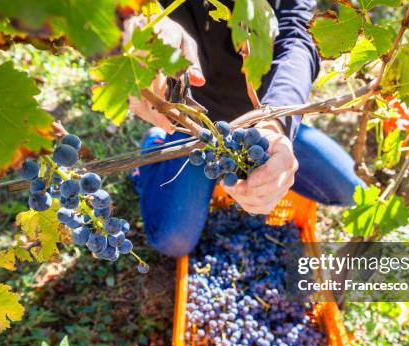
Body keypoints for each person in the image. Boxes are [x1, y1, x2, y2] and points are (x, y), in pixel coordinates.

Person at [129, 0, 364, 257]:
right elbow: (117, 13)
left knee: (353, 191)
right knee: (173, 241)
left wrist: (275, 125)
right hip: (195, 127)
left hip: (260, 119)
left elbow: (299, 35)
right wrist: (141, 27)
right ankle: (154, 149)